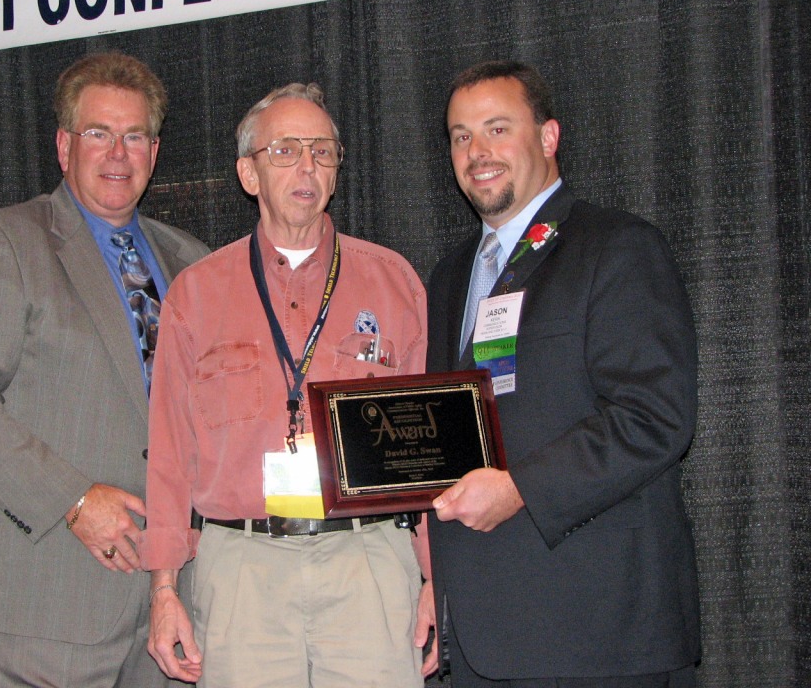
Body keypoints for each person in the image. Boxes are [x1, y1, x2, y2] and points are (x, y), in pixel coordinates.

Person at [0, 52, 209, 687]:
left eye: (134, 136)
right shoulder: (7, 241)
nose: (117, 153)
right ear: (63, 145)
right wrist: (73, 501)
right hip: (50, 588)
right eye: (98, 133)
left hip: (172, 593)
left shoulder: (192, 261)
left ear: (154, 152)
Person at [142, 82, 438, 687]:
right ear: (248, 174)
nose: (307, 165)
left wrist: (437, 580)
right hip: (242, 570)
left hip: (370, 562)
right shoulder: (196, 294)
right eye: (285, 150)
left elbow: (427, 457)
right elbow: (171, 453)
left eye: (322, 151)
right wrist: (165, 588)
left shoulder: (394, 283)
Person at [426, 60, 701, 687]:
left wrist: (521, 487)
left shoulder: (616, 246)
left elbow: (655, 417)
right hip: (482, 638)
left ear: (548, 138)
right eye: (461, 135)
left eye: (498, 128)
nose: (478, 152)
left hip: (597, 634)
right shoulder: (449, 277)